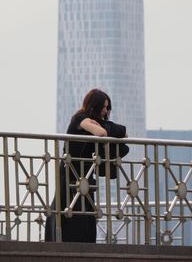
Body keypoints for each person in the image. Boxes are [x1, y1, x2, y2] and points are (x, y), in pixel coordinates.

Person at [45, 88, 129, 243]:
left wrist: (106, 125)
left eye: (107, 107)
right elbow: (101, 133)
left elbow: (124, 134)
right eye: (103, 107)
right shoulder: (80, 118)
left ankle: (85, 242)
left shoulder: (96, 121)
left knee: (86, 209)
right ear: (94, 105)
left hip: (86, 172)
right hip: (71, 170)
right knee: (68, 207)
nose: (105, 110)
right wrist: (105, 126)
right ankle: (62, 241)